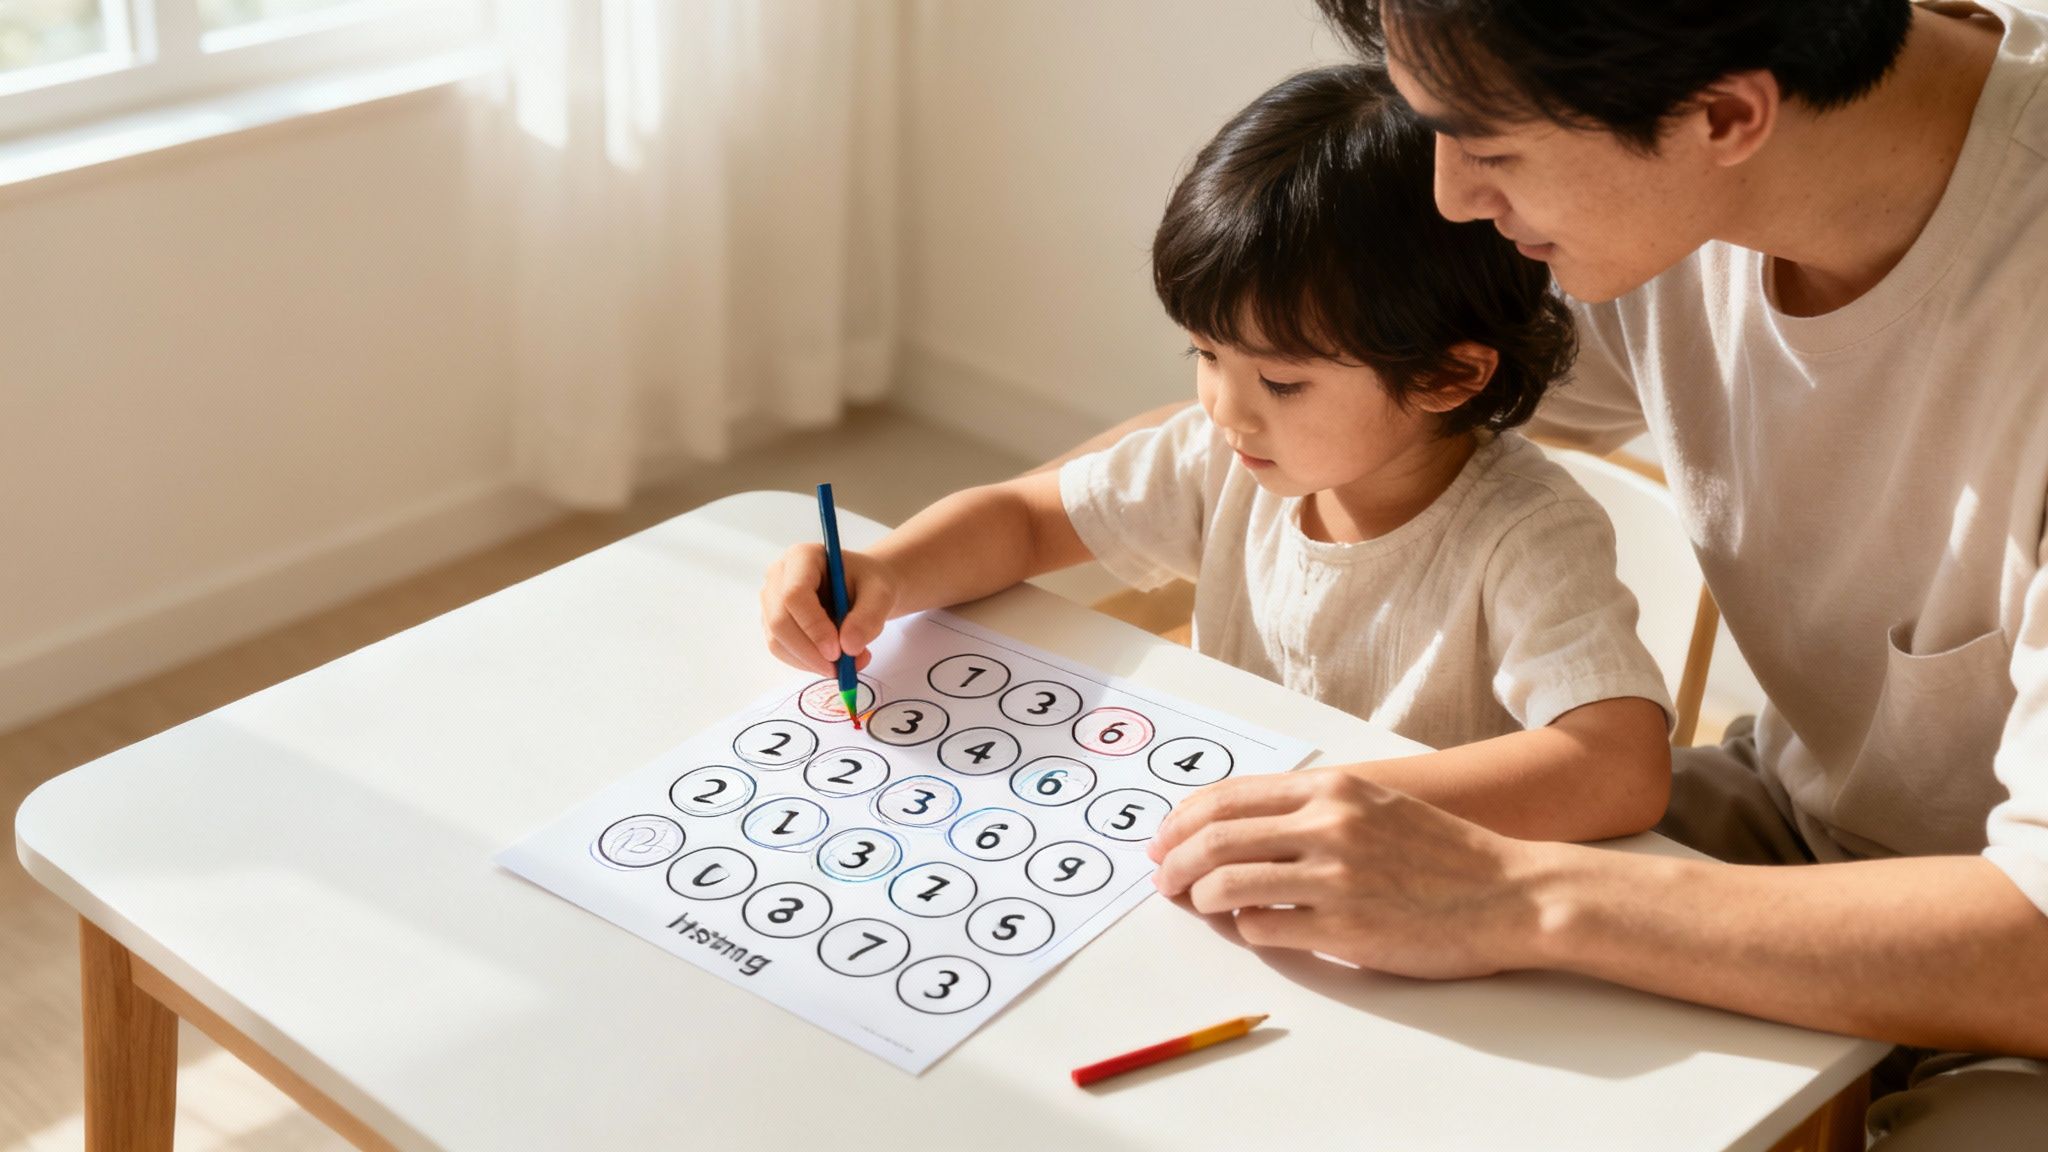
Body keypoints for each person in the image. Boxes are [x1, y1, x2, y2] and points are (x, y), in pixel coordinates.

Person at [1134, 0, 2048, 1144]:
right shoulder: (1656, 179)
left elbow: (2030, 943)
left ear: (1723, 117)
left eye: (1489, 148)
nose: (1450, 195)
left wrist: (1512, 896)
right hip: (1792, 822)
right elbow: (1330, 406)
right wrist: (948, 546)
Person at [758, 63, 1675, 845]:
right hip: (1230, 845)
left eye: (1281, 383)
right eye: (1204, 354)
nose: (1224, 409)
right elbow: (1024, 521)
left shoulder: (1526, 535)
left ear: (1445, 377)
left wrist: (1337, 803)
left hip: (1397, 888)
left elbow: (1619, 766)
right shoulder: (1222, 459)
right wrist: (883, 569)